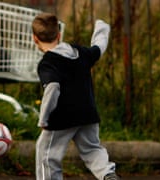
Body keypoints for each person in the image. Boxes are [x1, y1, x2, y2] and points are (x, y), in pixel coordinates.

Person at [32, 13, 119, 180]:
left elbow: (52, 87)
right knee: (92, 149)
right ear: (59, 34)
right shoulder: (80, 52)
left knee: (46, 155)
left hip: (61, 118)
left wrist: (43, 119)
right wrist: (102, 27)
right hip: (87, 113)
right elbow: (99, 47)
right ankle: (108, 174)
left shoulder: (47, 63)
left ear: (35, 39)